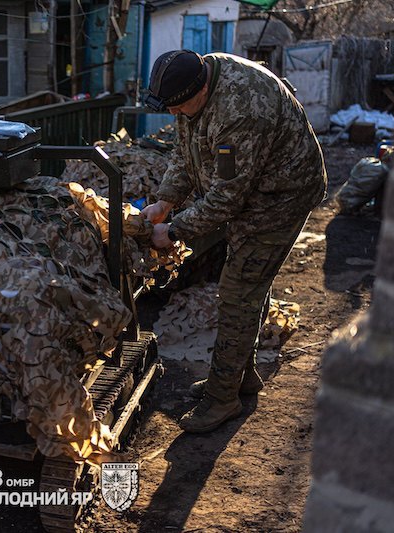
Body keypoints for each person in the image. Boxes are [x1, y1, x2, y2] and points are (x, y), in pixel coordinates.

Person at [141, 50, 327, 433]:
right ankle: (241, 377)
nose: (174, 115)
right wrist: (165, 201)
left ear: (203, 87)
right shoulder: (194, 84)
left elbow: (227, 197)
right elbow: (185, 150)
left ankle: (222, 398)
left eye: (179, 107)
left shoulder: (242, 110)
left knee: (238, 291)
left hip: (281, 198)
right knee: (248, 286)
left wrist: (172, 231)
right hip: (255, 195)